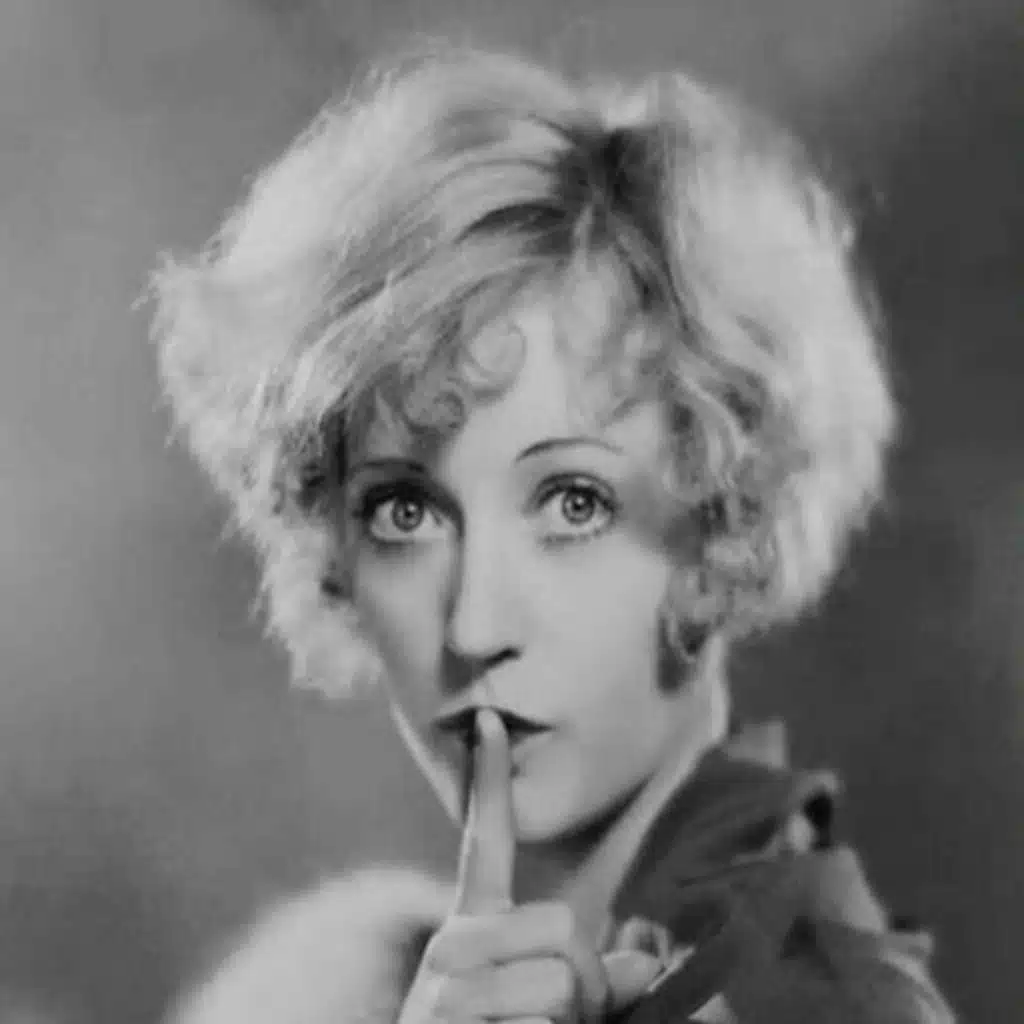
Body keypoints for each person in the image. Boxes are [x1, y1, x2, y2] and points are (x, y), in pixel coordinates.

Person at [149, 42, 956, 1024]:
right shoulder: (353, 986)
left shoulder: (821, 1007)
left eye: (574, 502)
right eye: (405, 512)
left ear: (721, 528)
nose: (475, 625)